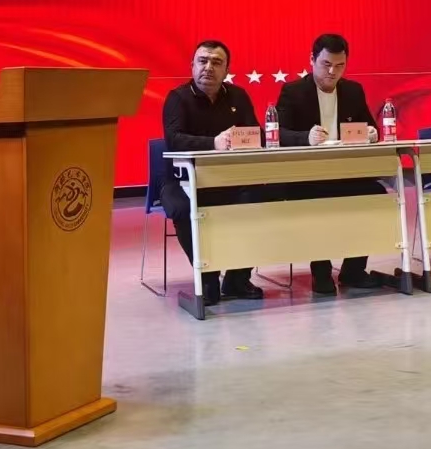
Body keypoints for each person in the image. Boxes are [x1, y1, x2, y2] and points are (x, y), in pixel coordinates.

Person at [275, 33, 385, 295]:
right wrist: (305, 137)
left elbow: (371, 127)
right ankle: (321, 272)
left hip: (345, 172)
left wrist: (372, 133)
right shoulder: (293, 91)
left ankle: (353, 270)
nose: (332, 72)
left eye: (339, 65)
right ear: (312, 60)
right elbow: (275, 133)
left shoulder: (353, 90)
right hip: (307, 175)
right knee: (316, 203)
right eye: (326, 64)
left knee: (376, 195)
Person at [160, 41, 266, 306]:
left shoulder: (238, 96)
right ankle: (207, 277)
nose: (208, 67)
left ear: (227, 70)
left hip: (229, 177)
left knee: (264, 198)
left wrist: (244, 139)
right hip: (183, 179)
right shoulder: (177, 98)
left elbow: (256, 134)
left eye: (216, 62)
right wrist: (213, 143)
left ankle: (237, 278)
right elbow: (174, 140)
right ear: (192, 66)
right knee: (183, 208)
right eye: (202, 61)